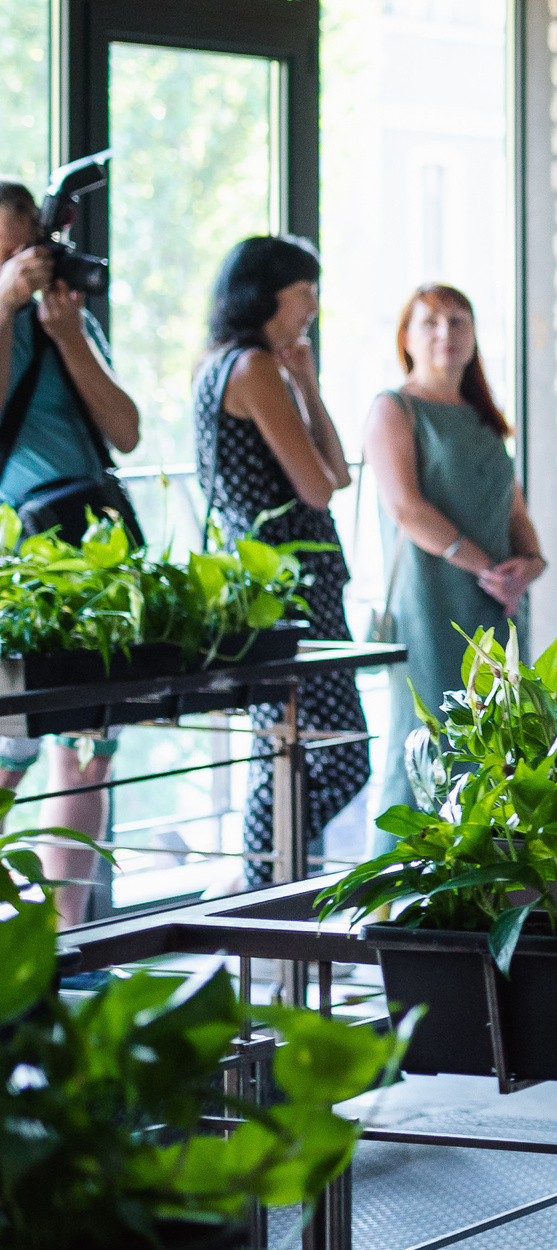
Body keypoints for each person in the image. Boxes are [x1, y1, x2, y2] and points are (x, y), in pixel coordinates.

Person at [195, 236, 367, 882]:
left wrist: (308, 385)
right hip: (295, 584)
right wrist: (291, 382)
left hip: (270, 585)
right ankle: (264, 877)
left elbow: (339, 474)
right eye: (306, 291)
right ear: (269, 292)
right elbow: (318, 485)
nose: (313, 307)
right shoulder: (252, 368)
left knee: (283, 749)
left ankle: (270, 880)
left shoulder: (225, 363)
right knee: (340, 755)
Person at [0, 180, 141, 923]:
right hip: (15, 560)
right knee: (3, 751)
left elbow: (125, 429)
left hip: (91, 554)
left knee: (86, 747)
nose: (22, 265)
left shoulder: (65, 322)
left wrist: (68, 338)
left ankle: (67, 936)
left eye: (30, 250)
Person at [364, 284, 545, 855]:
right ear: (407, 339)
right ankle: (386, 905)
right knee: (420, 744)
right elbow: (406, 508)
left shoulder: (483, 417)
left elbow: (513, 510)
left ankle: (473, 891)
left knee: (492, 744)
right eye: (431, 322)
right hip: (429, 605)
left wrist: (528, 566)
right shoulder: (394, 408)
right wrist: (486, 566)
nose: (446, 333)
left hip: (494, 606)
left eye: (458, 321)